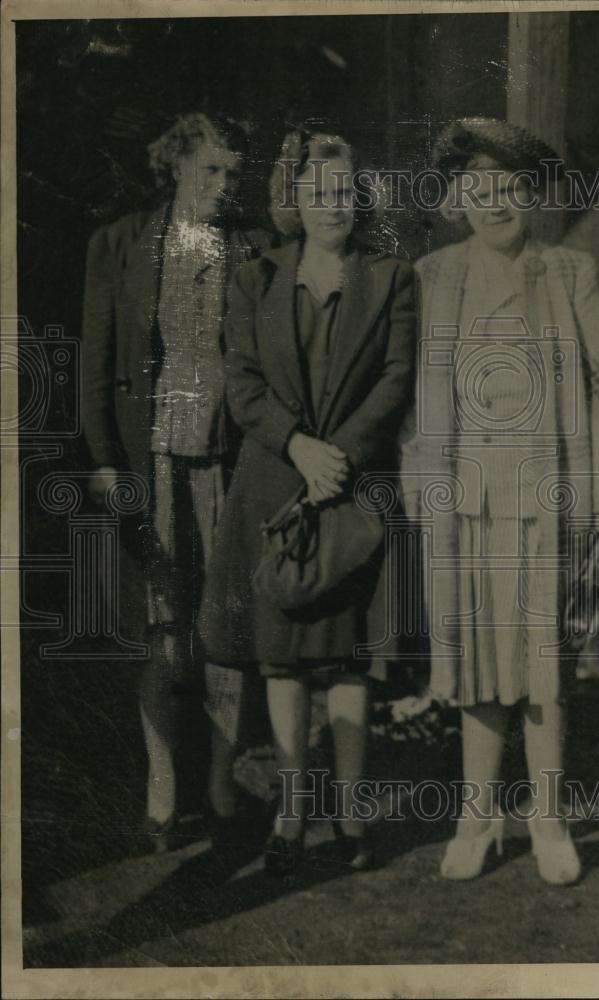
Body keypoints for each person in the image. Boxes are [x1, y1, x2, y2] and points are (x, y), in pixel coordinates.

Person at [400, 117, 599, 883]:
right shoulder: (433, 277)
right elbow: (412, 402)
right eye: (480, 189)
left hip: (548, 498)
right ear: (458, 198)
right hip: (465, 501)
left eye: (510, 189)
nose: (496, 202)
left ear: (531, 195)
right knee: (469, 663)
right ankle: (478, 817)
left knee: (542, 670)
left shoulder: (568, 272)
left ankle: (551, 820)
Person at [199, 126, 416, 873]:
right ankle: (292, 812)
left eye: (344, 192)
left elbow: (395, 379)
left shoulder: (391, 278)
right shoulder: (255, 277)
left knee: (349, 658)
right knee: (284, 659)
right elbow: (242, 383)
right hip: (275, 480)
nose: (332, 206)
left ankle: (353, 811)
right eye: (317, 192)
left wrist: (341, 456)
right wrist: (298, 446)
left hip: (354, 488)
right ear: (294, 198)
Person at [81, 112, 271, 850]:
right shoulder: (121, 244)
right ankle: (162, 792)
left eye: (232, 173)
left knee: (225, 625)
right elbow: (97, 365)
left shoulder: (251, 245)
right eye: (209, 172)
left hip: (229, 461)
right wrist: (102, 460)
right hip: (150, 461)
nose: (224, 187)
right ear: (175, 169)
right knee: (162, 627)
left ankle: (221, 785)